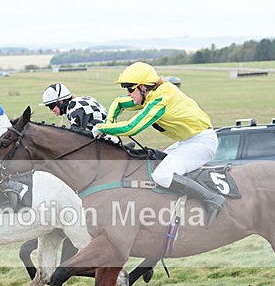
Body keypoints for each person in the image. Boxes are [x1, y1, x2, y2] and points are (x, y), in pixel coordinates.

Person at [93, 62, 225, 228]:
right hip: (188, 141)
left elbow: (132, 128)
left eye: (129, 88)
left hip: (202, 142)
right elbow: (118, 103)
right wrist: (108, 122)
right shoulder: (151, 93)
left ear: (142, 87)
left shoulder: (161, 99)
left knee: (162, 175)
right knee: (152, 167)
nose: (128, 93)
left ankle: (212, 198)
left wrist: (102, 128)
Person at [40, 83, 107, 133]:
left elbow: (76, 136)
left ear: (60, 102)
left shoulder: (75, 108)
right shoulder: (80, 101)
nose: (51, 110)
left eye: (51, 106)